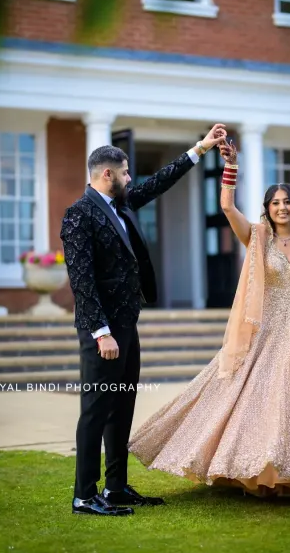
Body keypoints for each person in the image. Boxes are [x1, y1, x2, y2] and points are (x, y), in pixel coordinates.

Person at [128, 139, 290, 501]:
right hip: (261, 333)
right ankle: (244, 466)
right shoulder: (257, 238)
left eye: (287, 203)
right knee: (243, 398)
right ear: (267, 209)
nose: (282, 208)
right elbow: (226, 206)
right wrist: (230, 167)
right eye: (275, 203)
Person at [60, 124, 227, 516]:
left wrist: (200, 149)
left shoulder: (122, 205)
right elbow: (82, 281)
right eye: (126, 172)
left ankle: (115, 487)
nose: (131, 178)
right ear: (108, 175)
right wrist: (101, 332)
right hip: (102, 331)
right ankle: (84, 495)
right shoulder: (78, 215)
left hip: (126, 326)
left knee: (121, 406)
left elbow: (158, 183)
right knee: (95, 410)